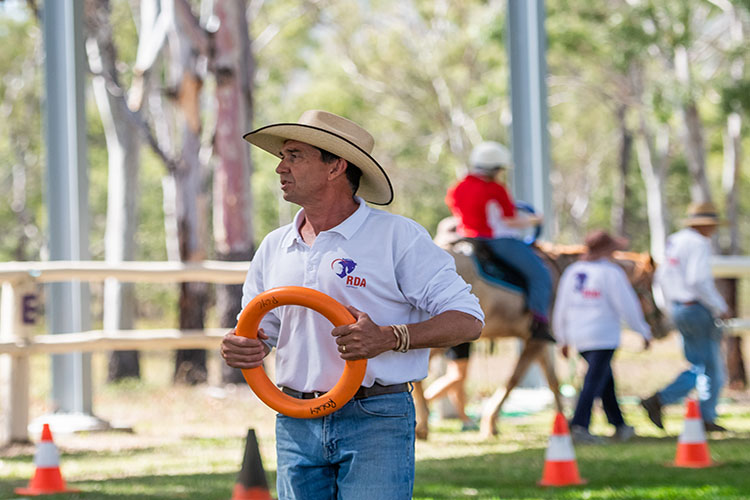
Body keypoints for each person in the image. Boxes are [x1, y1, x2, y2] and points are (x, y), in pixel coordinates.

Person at [220, 110, 484, 500]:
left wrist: (391, 337)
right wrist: (245, 346)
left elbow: (469, 320)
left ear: (336, 167)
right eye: (282, 157)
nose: (280, 168)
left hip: (375, 417)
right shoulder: (275, 246)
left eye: (294, 156)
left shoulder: (397, 237)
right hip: (294, 418)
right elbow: (264, 333)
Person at [445, 141, 555, 343]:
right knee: (541, 274)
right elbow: (508, 220)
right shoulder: (495, 189)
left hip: (464, 238)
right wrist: (534, 220)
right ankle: (539, 321)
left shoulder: (457, 187)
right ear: (495, 169)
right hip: (495, 240)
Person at [553, 231, 652, 443]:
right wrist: (642, 330)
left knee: (604, 378)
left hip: (579, 334)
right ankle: (579, 425)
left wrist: (562, 337)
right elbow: (627, 305)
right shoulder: (611, 273)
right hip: (603, 334)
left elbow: (561, 306)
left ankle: (619, 424)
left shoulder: (573, 271)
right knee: (594, 380)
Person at [641, 202, 731, 433]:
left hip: (680, 308)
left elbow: (661, 279)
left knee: (699, 362)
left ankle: (692, 411)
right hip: (696, 308)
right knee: (708, 366)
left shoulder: (675, 241)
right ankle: (691, 410)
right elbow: (697, 280)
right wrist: (719, 306)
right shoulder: (699, 243)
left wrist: (669, 308)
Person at [422, 342, 478, 431]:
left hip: (458, 337)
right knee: (458, 376)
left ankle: (465, 420)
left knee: (457, 379)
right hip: (460, 336)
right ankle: (422, 402)